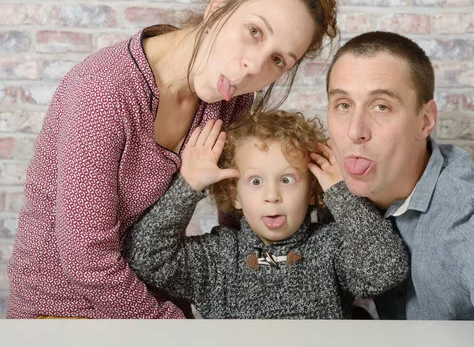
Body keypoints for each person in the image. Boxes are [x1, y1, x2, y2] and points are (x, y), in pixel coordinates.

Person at [7, 0, 343, 319]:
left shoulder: (229, 97)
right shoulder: (103, 91)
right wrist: (174, 328)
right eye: (253, 31)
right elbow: (85, 256)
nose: (253, 66)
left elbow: (238, 207)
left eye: (279, 60)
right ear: (217, 9)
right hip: (66, 311)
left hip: (160, 300)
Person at [324, 32, 474, 346]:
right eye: (342, 105)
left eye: (381, 107)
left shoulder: (468, 207)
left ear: (425, 121)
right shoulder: (331, 186)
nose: (355, 131)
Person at [122, 111, 409, 319]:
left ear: (312, 190)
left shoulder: (330, 247)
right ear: (235, 195)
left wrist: (341, 195)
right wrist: (189, 185)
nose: (272, 195)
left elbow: (387, 271)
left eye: (286, 180)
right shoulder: (217, 257)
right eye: (256, 181)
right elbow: (146, 256)